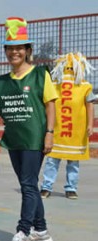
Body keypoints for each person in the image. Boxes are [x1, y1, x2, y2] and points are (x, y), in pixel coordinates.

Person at [0, 17, 57, 241]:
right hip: (14, 138)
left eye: (19, 48)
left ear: (28, 50)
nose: (14, 53)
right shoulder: (0, 82)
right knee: (28, 184)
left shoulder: (40, 75)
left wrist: (49, 133)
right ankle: (41, 229)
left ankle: (24, 229)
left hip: (34, 138)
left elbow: (50, 105)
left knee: (28, 183)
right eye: (10, 49)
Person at [40, 52, 96, 200]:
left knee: (73, 162)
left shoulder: (85, 87)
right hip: (57, 131)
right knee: (52, 160)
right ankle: (46, 186)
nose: (69, 70)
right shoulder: (54, 86)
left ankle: (71, 188)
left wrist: (90, 124)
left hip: (76, 132)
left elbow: (90, 105)